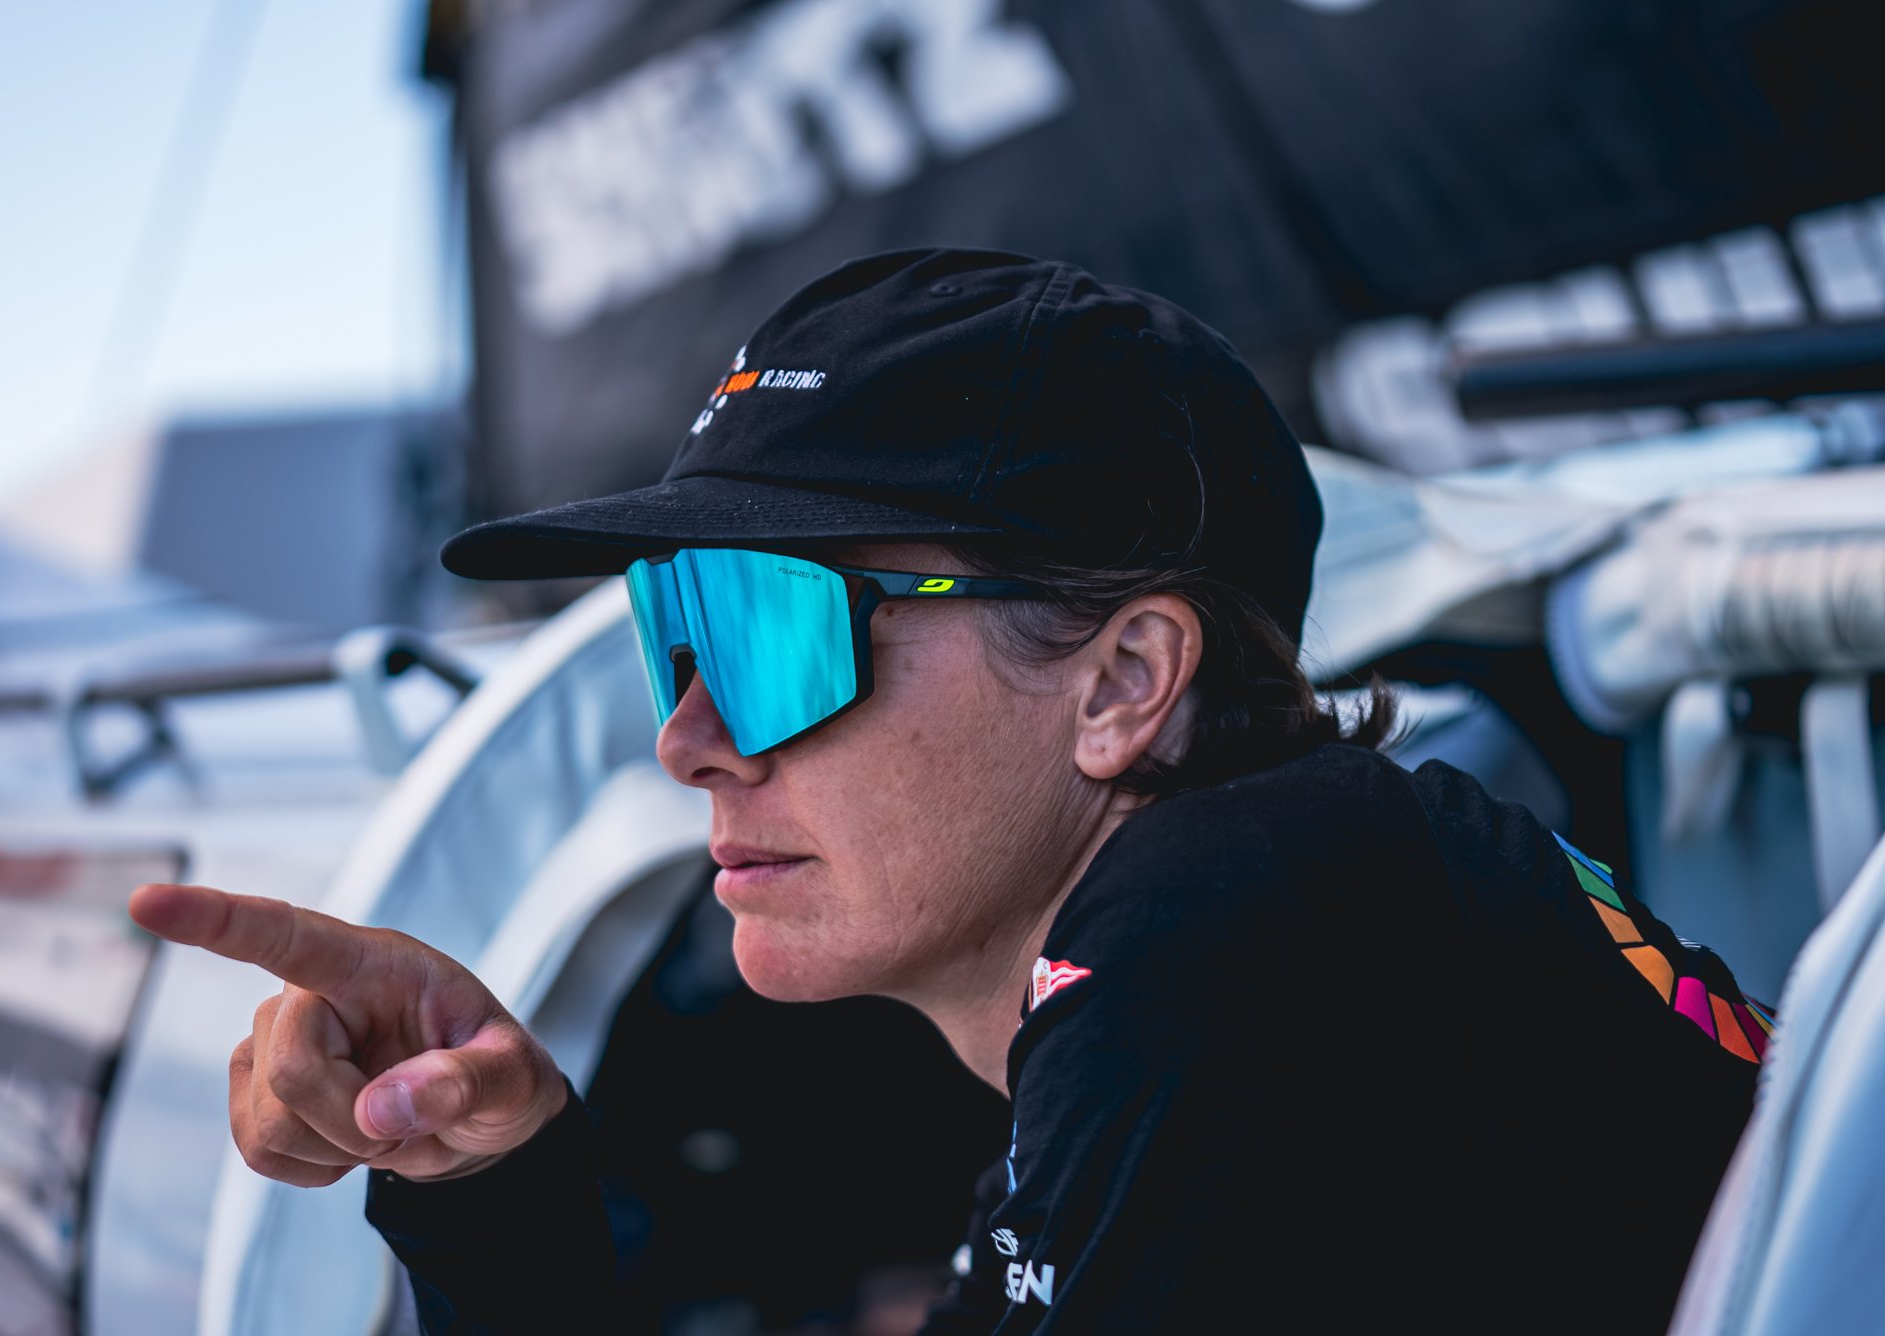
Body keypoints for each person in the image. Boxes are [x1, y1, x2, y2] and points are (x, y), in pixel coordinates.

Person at [129, 249, 1768, 1333]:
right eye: (672, 629)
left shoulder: (1223, 929)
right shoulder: (1312, 902)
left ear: (1124, 683)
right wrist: (493, 1181)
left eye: (772, 631)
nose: (687, 739)